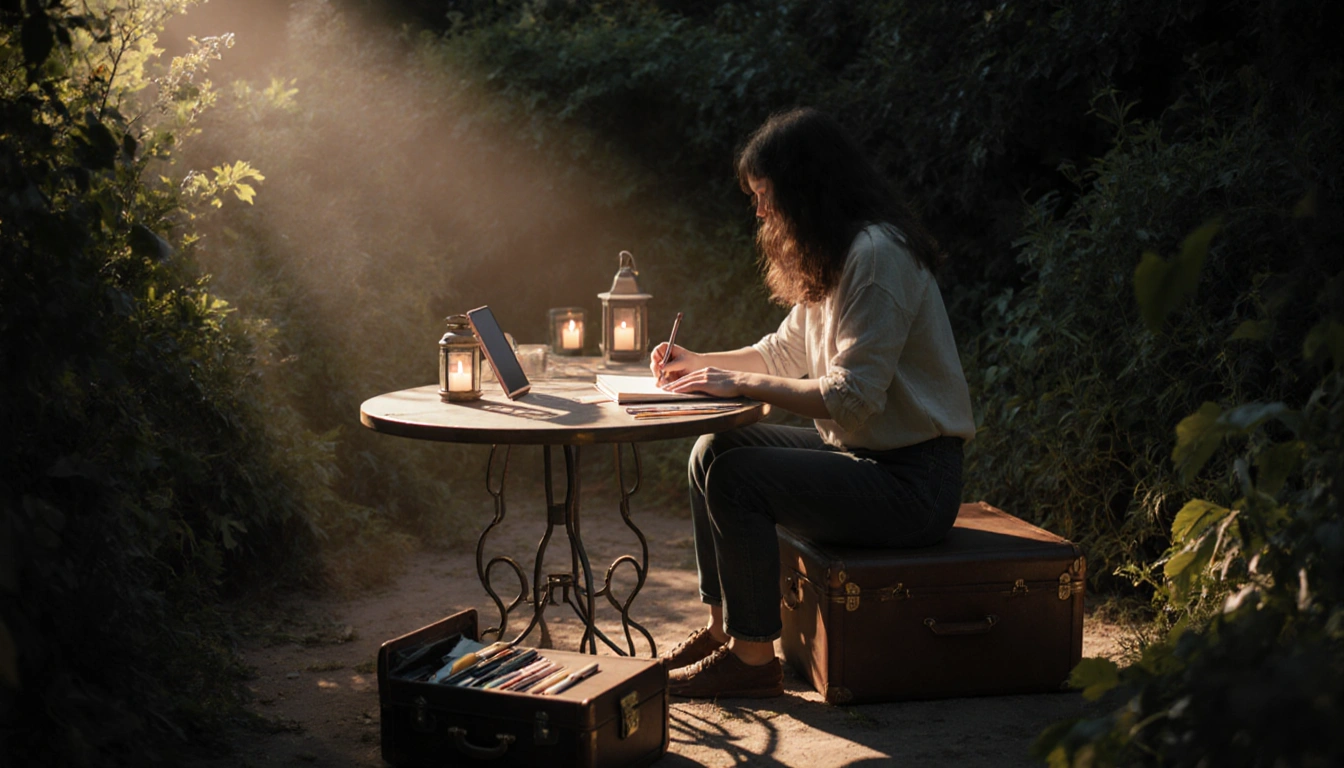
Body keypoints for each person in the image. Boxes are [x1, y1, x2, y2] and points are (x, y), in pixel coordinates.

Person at [649, 107, 976, 699]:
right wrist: (698, 363)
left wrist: (736, 384)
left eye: (765, 194)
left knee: (738, 475)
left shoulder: (877, 258)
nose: (760, 210)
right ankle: (724, 631)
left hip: (912, 484)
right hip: (867, 460)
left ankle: (753, 662)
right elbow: (781, 353)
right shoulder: (838, 252)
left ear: (804, 186)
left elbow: (849, 400)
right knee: (712, 451)